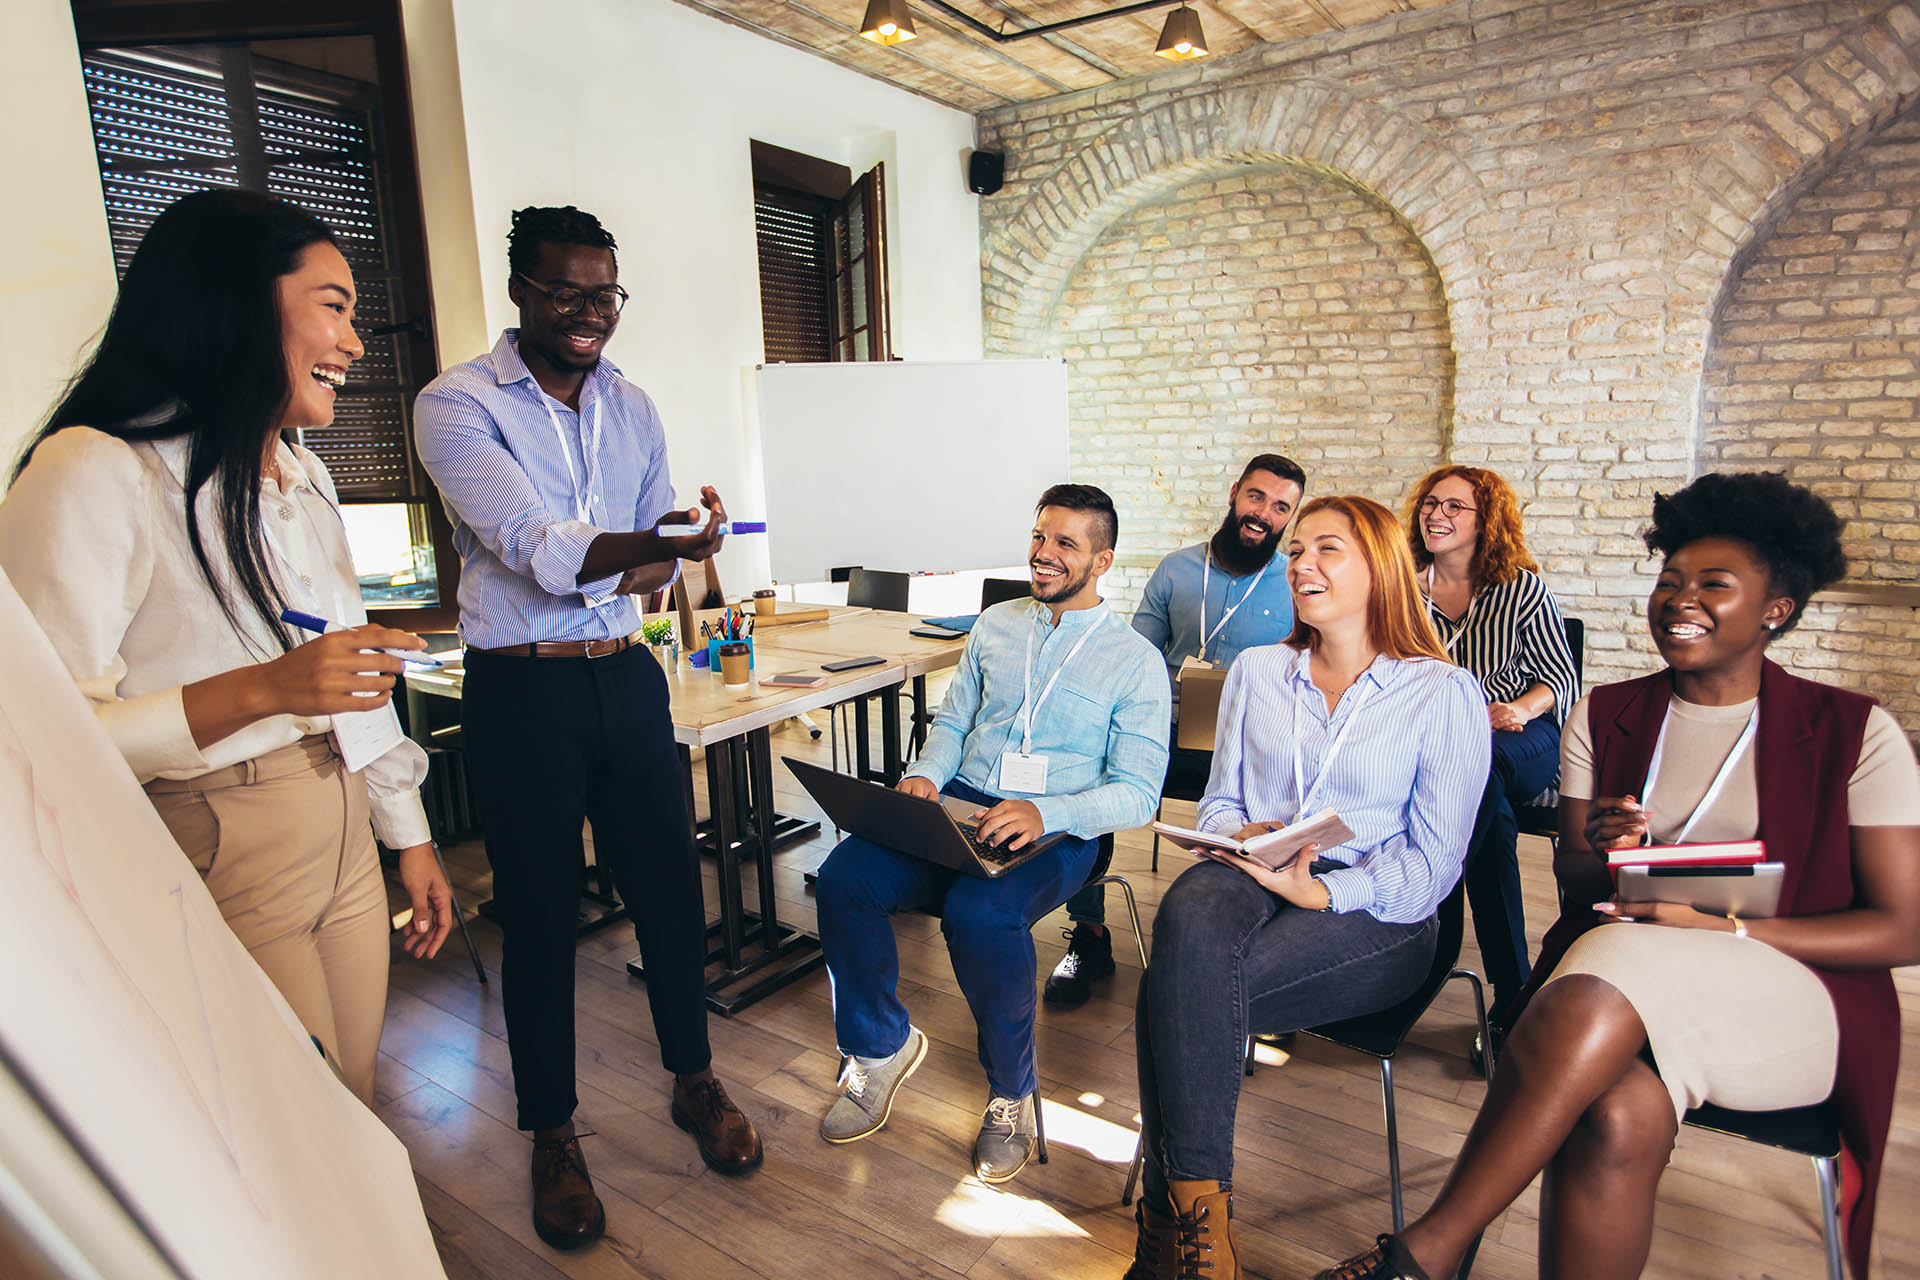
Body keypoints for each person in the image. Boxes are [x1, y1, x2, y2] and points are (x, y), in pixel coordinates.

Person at [1315, 471, 1920, 1280]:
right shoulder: (1607, 714)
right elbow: (1576, 882)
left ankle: (1429, 1249)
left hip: (1791, 989)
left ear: (1777, 607)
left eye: (1713, 584)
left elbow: (1903, 927)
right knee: (1614, 1115)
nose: (1679, 600)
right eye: (1668, 581)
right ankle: (1431, 1253)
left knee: (1601, 971)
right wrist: (1600, 847)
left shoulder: (1854, 732)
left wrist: (1731, 928)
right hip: (1625, 982)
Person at [0, 189, 453, 1107]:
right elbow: (39, 742)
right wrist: (266, 690)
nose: (356, 344)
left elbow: (347, 677)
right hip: (219, 829)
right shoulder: (94, 469)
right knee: (290, 1122)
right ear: (241, 304)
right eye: (333, 307)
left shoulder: (301, 471)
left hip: (341, 812)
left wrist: (407, 834)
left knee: (355, 1100)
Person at [411, 205, 762, 1252]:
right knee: (540, 913)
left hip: (626, 674)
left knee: (668, 886)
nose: (588, 314)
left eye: (604, 294)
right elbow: (535, 546)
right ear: (519, 290)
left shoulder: (634, 406)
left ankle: (693, 1078)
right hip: (522, 691)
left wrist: (661, 546)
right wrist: (642, 547)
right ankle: (553, 1131)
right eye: (566, 293)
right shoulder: (456, 404)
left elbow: (648, 565)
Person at [1127, 495, 1489, 1278]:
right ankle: (1203, 1242)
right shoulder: (1259, 670)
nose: (1300, 564)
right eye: (1297, 550)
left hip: (1380, 907)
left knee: (1173, 993)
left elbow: (1434, 865)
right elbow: (1221, 799)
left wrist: (1329, 893)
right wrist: (1245, 835)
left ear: (1381, 570)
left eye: (1328, 549)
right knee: (1190, 906)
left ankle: (1175, 1237)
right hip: (1258, 868)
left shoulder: (1440, 692)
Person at [813, 483, 1169, 1184]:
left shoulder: (1134, 661)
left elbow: (1138, 792)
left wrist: (1049, 813)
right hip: (961, 803)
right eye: (1040, 536)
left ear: (1103, 562)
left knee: (981, 915)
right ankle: (880, 1048)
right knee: (843, 877)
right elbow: (952, 725)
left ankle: (1012, 1093)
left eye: (1066, 542)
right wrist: (924, 778)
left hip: (1063, 826)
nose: (1043, 554)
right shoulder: (996, 624)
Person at [1046, 454, 1305, 1009]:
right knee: (1093, 774)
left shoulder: (1294, 583)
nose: (1263, 513)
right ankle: (1089, 934)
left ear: (1290, 518)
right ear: (1236, 493)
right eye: (1256, 497)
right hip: (1161, 730)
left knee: (1285, 794)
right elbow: (1130, 655)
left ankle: (1259, 953)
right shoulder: (1177, 569)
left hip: (1248, 744)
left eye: (1281, 507)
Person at [1405, 465, 1579, 1035]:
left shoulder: (1521, 587)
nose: (1437, 514)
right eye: (1432, 503)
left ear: (1487, 522)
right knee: (1488, 807)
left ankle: (1424, 937)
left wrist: (1517, 710)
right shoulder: (1405, 587)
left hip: (1518, 739)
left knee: (1482, 770)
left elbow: (1560, 681)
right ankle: (1513, 989)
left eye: (1455, 507)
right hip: (1441, 744)